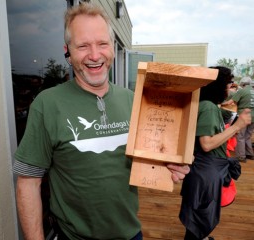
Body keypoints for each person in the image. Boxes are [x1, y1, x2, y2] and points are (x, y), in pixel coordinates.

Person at [13, 3, 189, 240]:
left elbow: (148, 161)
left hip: (131, 233)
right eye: (83, 46)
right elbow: (28, 182)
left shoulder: (133, 100)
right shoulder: (47, 104)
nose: (94, 56)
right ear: (67, 50)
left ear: (112, 49)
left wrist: (170, 164)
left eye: (102, 44)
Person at [179, 66, 251, 240]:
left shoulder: (208, 106)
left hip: (202, 170)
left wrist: (226, 110)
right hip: (206, 170)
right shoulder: (209, 108)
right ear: (217, 86)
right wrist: (238, 126)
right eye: (227, 84)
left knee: (199, 211)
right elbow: (207, 143)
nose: (229, 89)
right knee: (202, 212)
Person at [221, 76, 254, 162]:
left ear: (242, 84)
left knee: (240, 136)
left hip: (244, 115)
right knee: (248, 136)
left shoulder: (242, 91)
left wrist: (221, 104)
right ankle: (250, 154)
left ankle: (241, 156)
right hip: (253, 116)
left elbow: (230, 102)